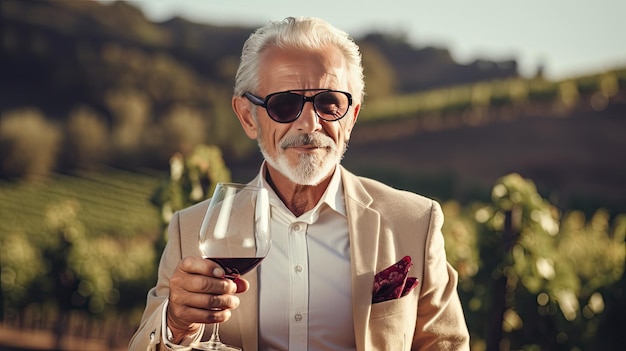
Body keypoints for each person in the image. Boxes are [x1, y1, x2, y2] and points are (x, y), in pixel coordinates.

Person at [129, 16, 470, 351]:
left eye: (329, 103)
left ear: (351, 117)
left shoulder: (415, 221)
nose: (309, 124)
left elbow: (446, 345)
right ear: (248, 117)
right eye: (285, 104)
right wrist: (175, 324)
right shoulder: (191, 230)